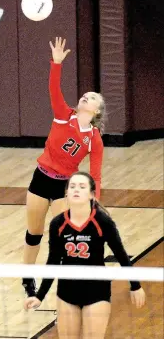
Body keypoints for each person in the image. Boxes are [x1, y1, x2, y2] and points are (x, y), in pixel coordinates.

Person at [23, 37, 106, 297]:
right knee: (34, 232)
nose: (85, 96)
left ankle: (62, 289)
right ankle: (27, 279)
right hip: (40, 179)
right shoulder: (63, 114)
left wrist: (93, 204)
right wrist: (56, 63)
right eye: (85, 95)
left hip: (63, 186)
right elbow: (54, 89)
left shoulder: (94, 139)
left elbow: (95, 176)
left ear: (96, 111)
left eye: (91, 97)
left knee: (59, 238)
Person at [24, 171, 146, 339]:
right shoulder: (58, 224)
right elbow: (53, 261)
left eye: (82, 187)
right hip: (67, 292)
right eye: (72, 186)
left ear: (91, 194)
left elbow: (121, 255)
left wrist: (135, 286)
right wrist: (39, 296)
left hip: (96, 292)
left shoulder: (103, 222)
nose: (76, 190)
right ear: (66, 193)